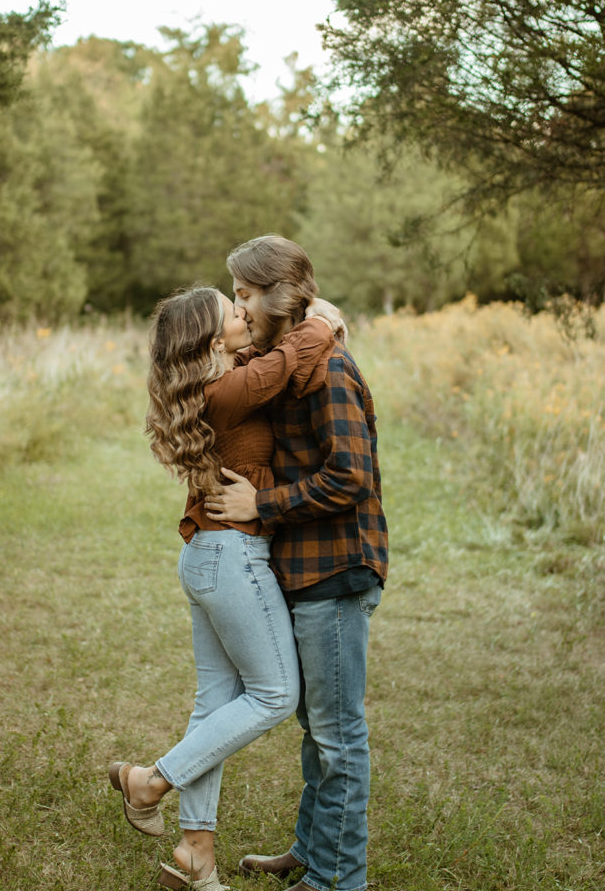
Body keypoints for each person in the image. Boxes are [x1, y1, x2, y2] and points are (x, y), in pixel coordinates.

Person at [109, 284, 339, 891]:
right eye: (233, 310)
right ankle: (150, 780)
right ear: (214, 341)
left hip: (209, 556)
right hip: (232, 556)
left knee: (214, 705)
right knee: (275, 694)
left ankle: (195, 854)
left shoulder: (218, 382)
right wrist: (320, 319)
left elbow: (273, 363)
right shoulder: (229, 390)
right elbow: (293, 356)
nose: (245, 313)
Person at [203, 236, 389, 891]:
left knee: (337, 739)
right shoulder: (289, 362)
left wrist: (265, 501)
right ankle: (312, 852)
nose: (237, 305)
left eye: (245, 294)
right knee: (317, 733)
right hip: (306, 571)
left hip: (336, 570)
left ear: (277, 297)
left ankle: (337, 880)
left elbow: (351, 476)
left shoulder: (328, 371)